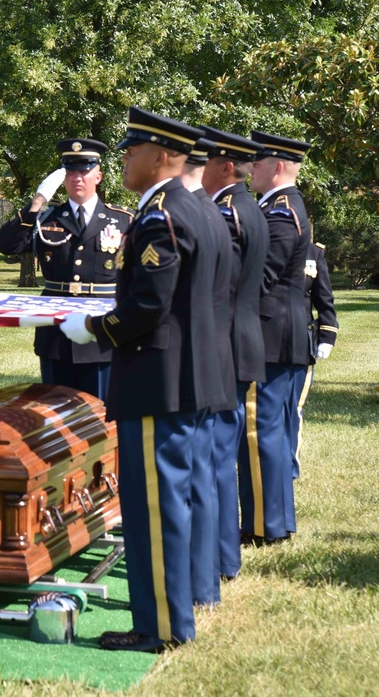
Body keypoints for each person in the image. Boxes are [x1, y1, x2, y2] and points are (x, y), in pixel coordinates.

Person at [60, 107, 221, 652]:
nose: (124, 159)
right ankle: (174, 612)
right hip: (186, 376)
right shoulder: (195, 208)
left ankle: (161, 627)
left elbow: (149, 304)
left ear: (160, 156)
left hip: (159, 377)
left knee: (154, 507)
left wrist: (93, 328)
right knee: (175, 499)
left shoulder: (162, 215)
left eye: (131, 151)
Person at [0, 138, 132, 403]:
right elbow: (7, 245)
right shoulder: (47, 218)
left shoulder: (122, 219)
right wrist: (37, 201)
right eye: (70, 171)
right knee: (55, 417)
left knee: (101, 414)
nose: (77, 177)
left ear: (98, 176)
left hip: (101, 332)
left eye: (84, 170)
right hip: (56, 333)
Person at [199, 126, 269, 578]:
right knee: (222, 455)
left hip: (225, 343)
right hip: (241, 339)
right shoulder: (248, 208)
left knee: (218, 458)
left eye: (204, 160)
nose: (197, 168)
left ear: (225, 166)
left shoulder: (227, 213)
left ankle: (223, 558)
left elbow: (214, 287)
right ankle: (223, 555)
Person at [248, 131, 313, 542]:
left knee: (262, 433)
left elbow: (261, 279)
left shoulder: (280, 212)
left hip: (272, 336)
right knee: (272, 432)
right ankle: (278, 523)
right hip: (282, 333)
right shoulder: (281, 207)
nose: (249, 169)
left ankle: (265, 526)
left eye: (256, 163)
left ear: (277, 167)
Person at [180, 138, 235, 607]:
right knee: (204, 474)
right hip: (212, 357)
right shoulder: (212, 212)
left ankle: (197, 587)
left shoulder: (183, 215)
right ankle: (207, 580)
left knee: (190, 482)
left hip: (187, 365)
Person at [290, 241, 338, 469]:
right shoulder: (259, 243)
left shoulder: (313, 253)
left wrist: (327, 335)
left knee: (294, 407)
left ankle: (290, 463)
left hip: (301, 338)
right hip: (264, 339)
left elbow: (324, 299)